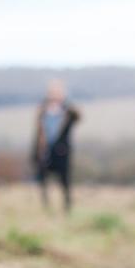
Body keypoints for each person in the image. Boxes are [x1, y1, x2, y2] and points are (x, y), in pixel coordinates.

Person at [31, 80, 80, 212]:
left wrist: (67, 104)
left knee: (64, 181)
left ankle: (67, 207)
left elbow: (78, 117)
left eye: (57, 93)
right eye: (52, 93)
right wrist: (37, 151)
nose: (54, 96)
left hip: (62, 152)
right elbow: (39, 133)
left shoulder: (68, 111)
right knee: (43, 181)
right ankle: (46, 207)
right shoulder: (43, 111)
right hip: (45, 150)